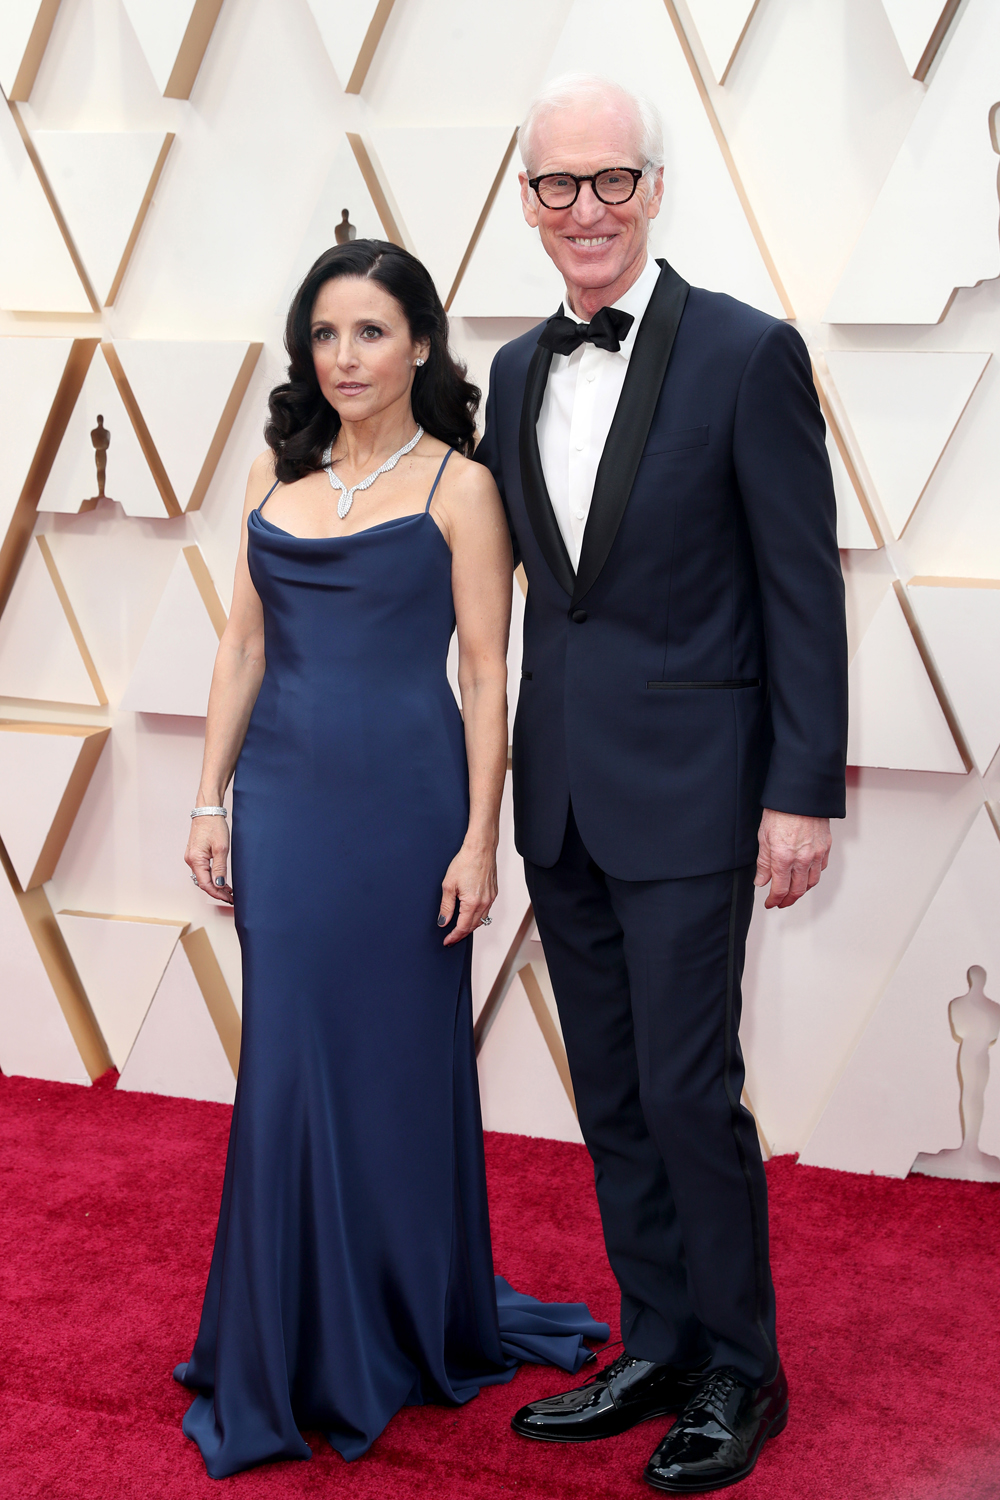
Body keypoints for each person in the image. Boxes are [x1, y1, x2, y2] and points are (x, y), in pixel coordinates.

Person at [179, 240, 607, 1479]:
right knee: (289, 1061)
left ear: (420, 341)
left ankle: (405, 1316)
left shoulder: (463, 487)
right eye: (325, 335)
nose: (345, 358)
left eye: (370, 332)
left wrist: (478, 837)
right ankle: (289, 1333)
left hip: (410, 807)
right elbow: (240, 651)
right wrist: (209, 800)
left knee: (400, 1065)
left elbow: (486, 672)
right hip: (289, 804)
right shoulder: (276, 464)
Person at [474, 75, 848, 1493]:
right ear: (525, 200)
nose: (587, 211)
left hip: (698, 791)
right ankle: (657, 1336)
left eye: (611, 182)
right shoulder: (512, 373)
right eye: (559, 186)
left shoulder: (749, 355)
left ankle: (741, 1374)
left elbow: (798, 590)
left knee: (692, 1089)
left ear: (654, 188)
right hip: (561, 792)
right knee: (616, 1092)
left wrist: (800, 787)